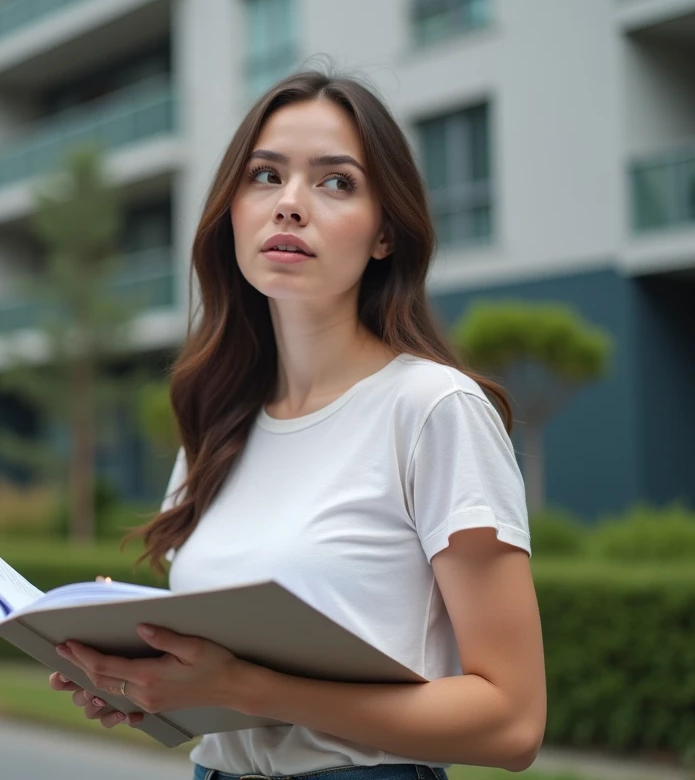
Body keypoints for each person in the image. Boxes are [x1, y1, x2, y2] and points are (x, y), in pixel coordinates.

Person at [48, 70, 546, 780]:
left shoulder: (434, 409)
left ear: (385, 233)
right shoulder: (218, 423)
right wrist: (143, 681)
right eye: (265, 175)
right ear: (232, 211)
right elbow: (219, 681)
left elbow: (513, 723)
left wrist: (246, 688)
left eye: (335, 182)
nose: (289, 203)